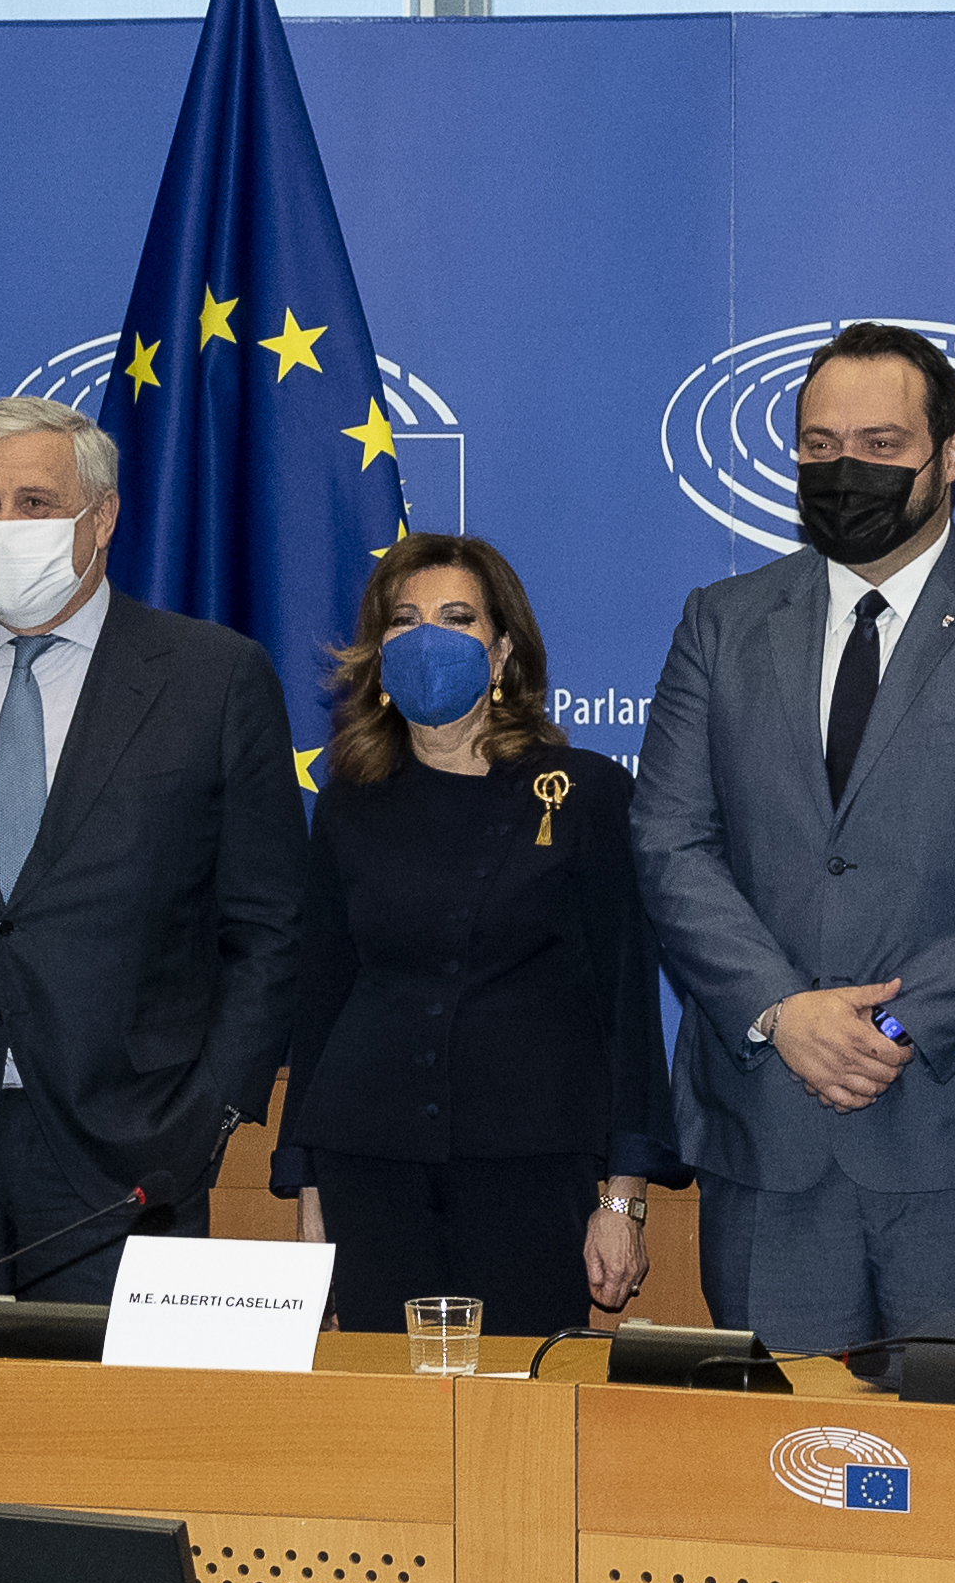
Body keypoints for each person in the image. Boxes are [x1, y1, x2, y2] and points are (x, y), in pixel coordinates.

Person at [633, 322, 955, 1353]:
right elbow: (668, 841)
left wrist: (890, 1031)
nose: (842, 470)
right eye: (816, 447)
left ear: (950, 454)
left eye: (876, 443)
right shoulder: (719, 621)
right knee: (781, 1486)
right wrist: (782, 1013)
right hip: (771, 1140)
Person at [0, 397, 322, 1275]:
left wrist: (208, 1113)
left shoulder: (215, 677)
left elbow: (271, 924)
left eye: (35, 504)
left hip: (134, 1151)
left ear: (103, 518)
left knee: (110, 1417)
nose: (4, 525)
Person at [270, 535, 676, 1338]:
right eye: (405, 620)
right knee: (390, 1428)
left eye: (458, 619)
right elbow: (321, 996)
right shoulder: (350, 798)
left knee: (515, 1426)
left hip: (533, 1165)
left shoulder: (583, 791)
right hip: (368, 1162)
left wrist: (622, 1199)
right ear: (379, 652)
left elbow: (628, 1006)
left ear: (501, 655)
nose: (429, 637)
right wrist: (306, 1180)